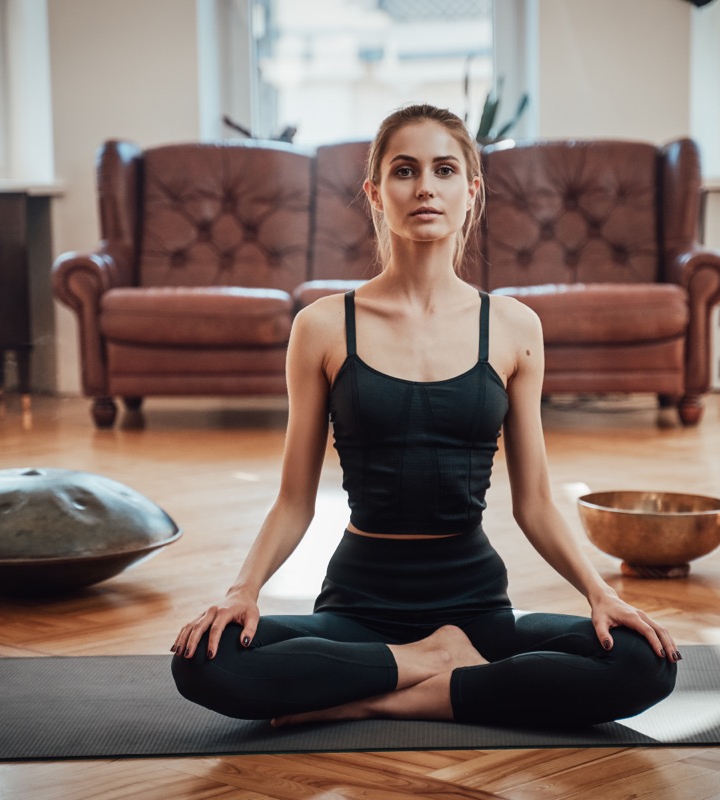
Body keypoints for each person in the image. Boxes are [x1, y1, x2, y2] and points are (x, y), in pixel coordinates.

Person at [170, 104, 678, 730]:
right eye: (404, 171)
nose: (425, 188)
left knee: (644, 662)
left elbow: (536, 501)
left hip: (475, 609)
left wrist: (601, 594)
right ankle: (431, 665)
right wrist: (241, 592)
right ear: (375, 193)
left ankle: (382, 695)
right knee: (203, 660)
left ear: (471, 191)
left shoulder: (514, 327)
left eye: (443, 170)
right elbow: (294, 499)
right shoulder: (324, 326)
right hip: (357, 606)